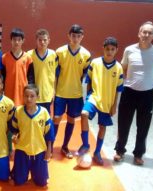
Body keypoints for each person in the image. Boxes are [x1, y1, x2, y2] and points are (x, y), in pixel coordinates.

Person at [114, 21, 153, 165]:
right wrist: (132, 83)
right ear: (139, 33)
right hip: (128, 92)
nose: (146, 35)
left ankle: (138, 154)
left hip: (147, 95)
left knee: (143, 126)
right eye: (144, 32)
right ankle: (120, 150)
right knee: (123, 123)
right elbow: (123, 69)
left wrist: (146, 84)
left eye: (150, 33)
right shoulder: (129, 50)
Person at [77, 37, 123, 166]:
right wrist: (88, 97)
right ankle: (85, 144)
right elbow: (89, 81)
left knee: (102, 127)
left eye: (112, 49)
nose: (109, 51)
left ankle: (97, 152)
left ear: (116, 50)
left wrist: (115, 106)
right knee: (84, 114)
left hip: (107, 102)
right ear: (103, 49)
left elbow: (119, 89)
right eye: (107, 49)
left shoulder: (118, 68)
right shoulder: (95, 63)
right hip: (94, 97)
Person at [53, 24, 91, 158]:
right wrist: (53, 91)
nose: (75, 38)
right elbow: (55, 74)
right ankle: (50, 147)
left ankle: (65, 146)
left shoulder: (86, 55)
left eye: (78, 36)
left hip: (76, 94)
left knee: (71, 120)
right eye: (73, 36)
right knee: (56, 119)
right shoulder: (60, 52)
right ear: (69, 36)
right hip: (61, 93)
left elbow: (87, 77)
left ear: (82, 37)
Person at [11, 84, 54, 187]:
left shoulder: (44, 113)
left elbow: (49, 134)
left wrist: (48, 151)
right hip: (22, 151)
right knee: (19, 182)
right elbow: (14, 129)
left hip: (39, 152)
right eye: (26, 96)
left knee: (42, 183)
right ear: (23, 96)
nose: (29, 99)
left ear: (37, 97)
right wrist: (14, 136)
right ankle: (15, 172)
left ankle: (40, 174)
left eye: (32, 96)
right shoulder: (18, 111)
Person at [27, 28, 58, 113]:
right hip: (33, 94)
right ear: (36, 41)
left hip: (47, 94)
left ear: (49, 40)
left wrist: (54, 91)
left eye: (45, 40)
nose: (42, 42)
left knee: (45, 120)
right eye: (40, 40)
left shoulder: (53, 54)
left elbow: (55, 75)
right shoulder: (29, 55)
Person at [2, 28, 34, 106]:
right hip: (8, 91)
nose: (16, 42)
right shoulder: (4, 57)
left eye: (19, 40)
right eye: (14, 39)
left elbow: (31, 78)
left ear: (23, 41)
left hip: (23, 91)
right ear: (11, 40)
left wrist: (30, 90)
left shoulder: (28, 57)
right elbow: (2, 76)